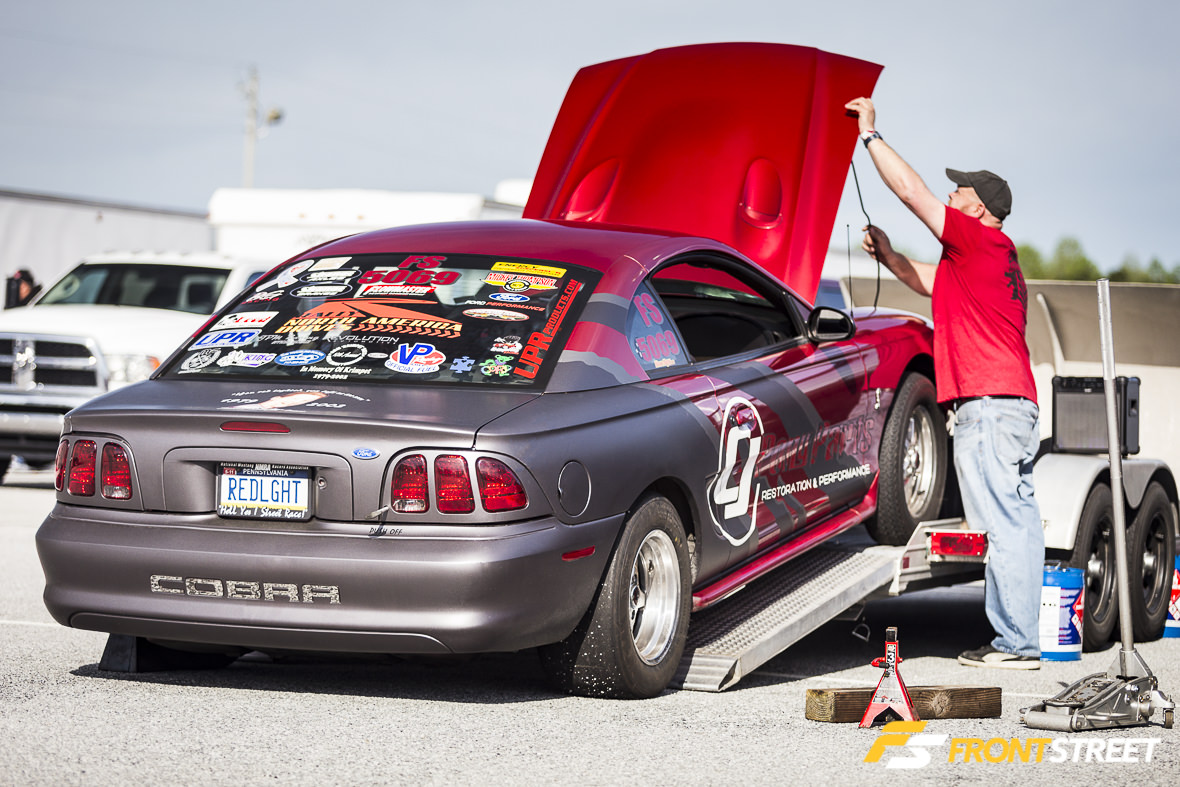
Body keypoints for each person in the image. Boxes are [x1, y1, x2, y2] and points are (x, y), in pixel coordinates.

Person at [844, 96, 1043, 670]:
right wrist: (889, 255)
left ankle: (1016, 645)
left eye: (958, 192)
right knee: (1016, 524)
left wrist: (871, 136)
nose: (950, 196)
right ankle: (1018, 641)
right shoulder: (990, 259)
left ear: (978, 208)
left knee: (1003, 525)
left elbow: (912, 192)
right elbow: (926, 281)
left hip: (990, 407)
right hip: (1011, 406)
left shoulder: (976, 240)